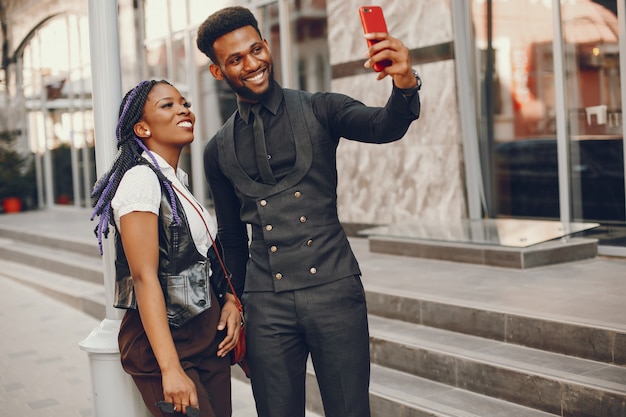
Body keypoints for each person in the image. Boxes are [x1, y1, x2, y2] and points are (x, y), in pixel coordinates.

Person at [197, 6, 420, 417]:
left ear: (267, 46)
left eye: (256, 49)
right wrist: (233, 298)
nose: (252, 64)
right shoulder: (217, 150)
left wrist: (405, 82)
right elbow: (231, 236)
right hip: (266, 304)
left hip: (335, 290)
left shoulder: (321, 108)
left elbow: (383, 125)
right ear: (218, 72)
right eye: (236, 59)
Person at [90, 79, 242, 417]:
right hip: (168, 343)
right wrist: (170, 368)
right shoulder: (141, 181)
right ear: (141, 127)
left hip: (205, 334)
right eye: (168, 105)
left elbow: (199, 256)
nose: (183, 109)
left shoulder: (177, 180)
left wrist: (230, 301)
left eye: (184, 102)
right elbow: (144, 278)